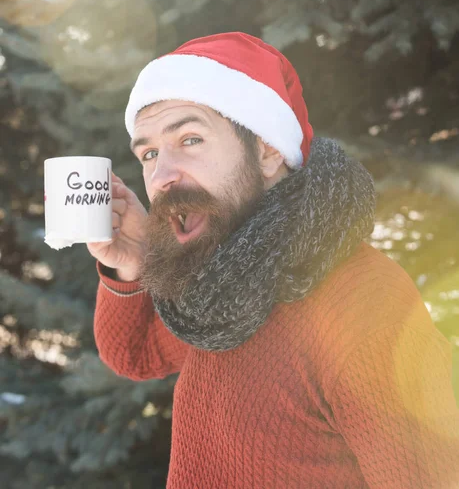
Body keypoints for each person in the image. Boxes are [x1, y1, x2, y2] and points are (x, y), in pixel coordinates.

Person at [87, 32, 459, 489]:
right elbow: (134, 354)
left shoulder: (362, 304)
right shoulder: (221, 278)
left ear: (266, 150)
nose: (161, 176)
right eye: (148, 153)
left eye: (190, 138)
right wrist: (131, 265)